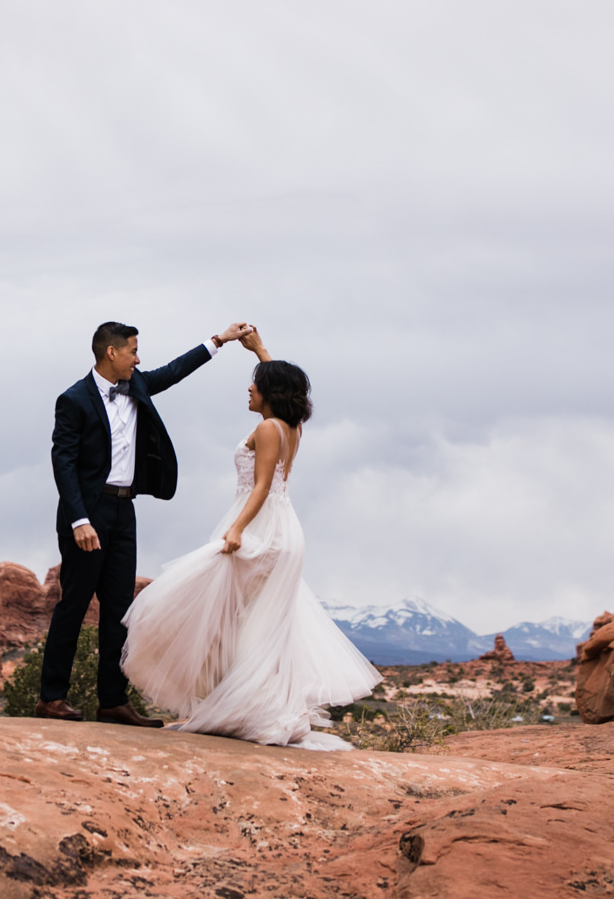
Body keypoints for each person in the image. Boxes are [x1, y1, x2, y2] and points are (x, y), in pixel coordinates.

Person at [120, 328, 380, 749]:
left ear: (270, 393)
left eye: (255, 385)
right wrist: (259, 351)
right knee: (256, 623)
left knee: (212, 608)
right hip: (283, 527)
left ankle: (248, 709)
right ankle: (256, 706)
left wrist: (237, 528)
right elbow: (280, 387)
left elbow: (260, 486)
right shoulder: (290, 426)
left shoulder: (267, 431)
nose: (249, 387)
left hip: (262, 527)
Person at [37, 319, 254, 724]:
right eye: (134, 351)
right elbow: (62, 463)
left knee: (121, 609)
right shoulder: (73, 400)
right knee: (74, 604)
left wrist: (219, 340)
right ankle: (51, 697)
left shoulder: (136, 385)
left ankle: (112, 702)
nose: (139, 359)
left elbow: (172, 372)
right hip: (88, 512)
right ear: (111, 353)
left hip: (124, 508)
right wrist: (79, 520)